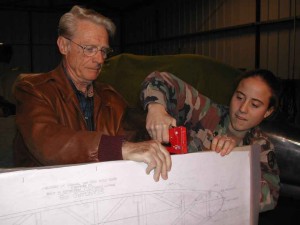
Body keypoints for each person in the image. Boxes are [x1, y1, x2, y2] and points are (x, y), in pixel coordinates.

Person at [13, 5, 171, 182]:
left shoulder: (110, 97)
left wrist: (158, 113)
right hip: (46, 191)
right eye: (89, 49)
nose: (99, 59)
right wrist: (121, 148)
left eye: (103, 50)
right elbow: (49, 142)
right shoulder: (33, 90)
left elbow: (138, 132)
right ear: (64, 45)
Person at [140, 69, 281, 212]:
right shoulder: (205, 112)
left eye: (255, 105)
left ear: (268, 111)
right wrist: (156, 108)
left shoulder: (261, 146)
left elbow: (269, 197)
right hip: (165, 197)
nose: (243, 109)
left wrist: (233, 161)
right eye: (239, 97)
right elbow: (159, 78)